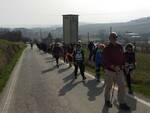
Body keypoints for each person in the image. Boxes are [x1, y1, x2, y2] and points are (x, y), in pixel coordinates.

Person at [103, 32, 130, 110]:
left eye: (115, 37)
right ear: (109, 38)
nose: (114, 39)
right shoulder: (106, 48)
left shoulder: (120, 46)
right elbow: (106, 60)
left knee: (122, 87)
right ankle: (107, 100)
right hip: (110, 71)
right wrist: (113, 67)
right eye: (112, 37)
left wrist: (125, 64)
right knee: (109, 86)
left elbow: (123, 57)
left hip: (120, 70)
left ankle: (122, 102)